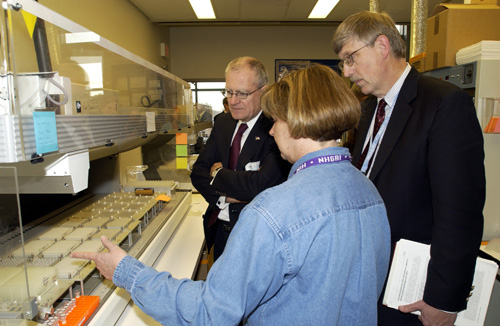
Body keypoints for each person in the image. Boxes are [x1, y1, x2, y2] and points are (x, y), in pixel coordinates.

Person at [71, 64, 391, 326]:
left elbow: (210, 312)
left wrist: (126, 271)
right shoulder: (369, 192)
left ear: (296, 123)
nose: (271, 130)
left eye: (276, 120)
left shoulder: (272, 213)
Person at [332, 11, 486, 326]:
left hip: (416, 290)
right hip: (372, 282)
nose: (347, 72)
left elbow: (460, 213)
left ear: (382, 45)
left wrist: (444, 299)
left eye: (351, 58)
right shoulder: (368, 109)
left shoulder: (442, 104)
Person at [190, 56, 290, 261]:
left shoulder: (275, 127)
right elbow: (198, 172)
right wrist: (225, 196)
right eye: (229, 92)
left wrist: (217, 173)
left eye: (242, 94)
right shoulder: (223, 123)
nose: (233, 101)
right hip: (220, 233)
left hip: (256, 239)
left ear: (263, 91)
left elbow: (260, 186)